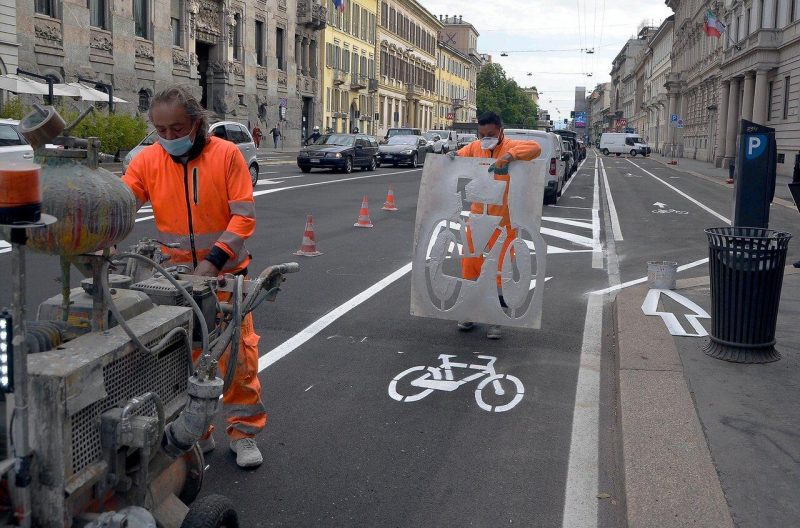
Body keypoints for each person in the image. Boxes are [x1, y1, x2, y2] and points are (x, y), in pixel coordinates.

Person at [122, 86, 266, 469]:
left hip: (226, 278)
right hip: (176, 282)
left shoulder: (226, 155)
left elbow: (243, 216)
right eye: (160, 130)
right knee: (185, 360)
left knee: (238, 359)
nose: (169, 137)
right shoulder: (147, 161)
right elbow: (123, 202)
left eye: (177, 128)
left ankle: (244, 433)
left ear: (197, 123)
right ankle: (198, 431)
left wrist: (214, 262)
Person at [448, 111, 542, 339]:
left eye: (490, 134)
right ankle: (469, 312)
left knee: (501, 270)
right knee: (470, 265)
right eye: (481, 134)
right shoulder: (475, 147)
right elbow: (459, 156)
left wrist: (509, 157)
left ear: (501, 131)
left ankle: (495, 319)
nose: (485, 138)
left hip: (504, 221)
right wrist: (451, 156)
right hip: (477, 217)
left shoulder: (511, 146)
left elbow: (536, 148)